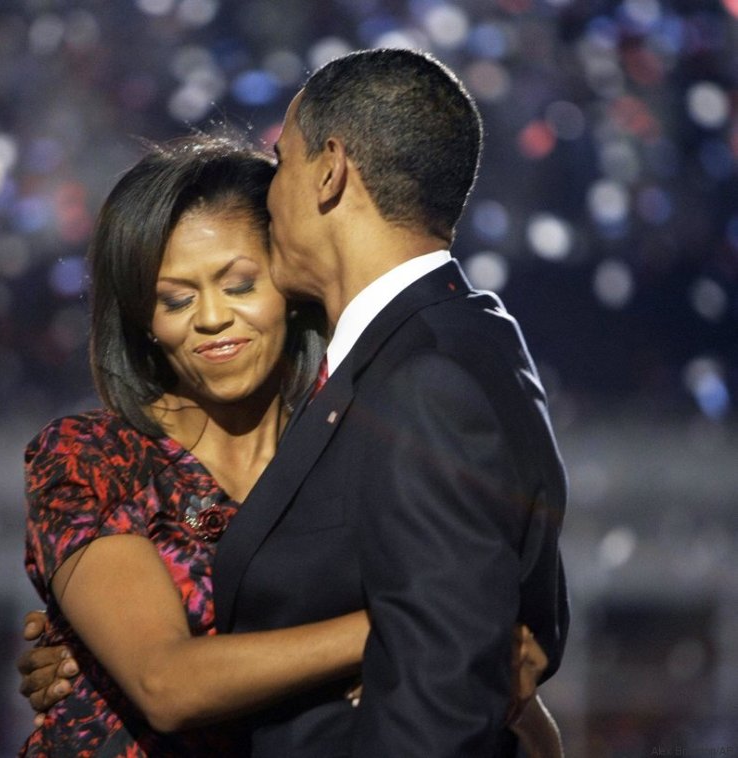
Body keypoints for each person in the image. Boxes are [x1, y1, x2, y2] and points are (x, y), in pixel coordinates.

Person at [17, 134, 559, 755]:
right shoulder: (92, 459)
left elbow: (512, 716)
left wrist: (485, 661)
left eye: (239, 285)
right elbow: (166, 685)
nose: (212, 317)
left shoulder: (352, 450)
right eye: (176, 298)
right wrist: (429, 622)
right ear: (144, 320)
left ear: (288, 282)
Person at [210, 47, 569, 756]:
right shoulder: (444, 345)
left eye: (281, 163)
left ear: (329, 170)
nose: (268, 195)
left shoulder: (427, 379)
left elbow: (438, 704)